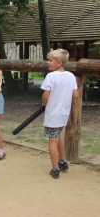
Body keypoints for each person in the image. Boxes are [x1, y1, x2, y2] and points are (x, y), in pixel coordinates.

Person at [41, 49, 78, 179]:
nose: (48, 62)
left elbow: (45, 96)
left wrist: (44, 104)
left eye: (50, 60)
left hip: (53, 114)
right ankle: (63, 161)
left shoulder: (51, 76)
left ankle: (55, 168)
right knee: (58, 136)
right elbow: (75, 94)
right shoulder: (71, 76)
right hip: (63, 113)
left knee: (52, 140)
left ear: (59, 62)